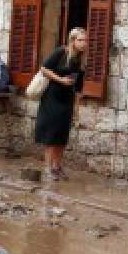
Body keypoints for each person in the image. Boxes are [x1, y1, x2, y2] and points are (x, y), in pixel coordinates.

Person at [33, 27, 87, 180]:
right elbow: (44, 69)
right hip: (52, 98)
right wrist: (60, 79)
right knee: (51, 134)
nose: (84, 43)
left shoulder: (80, 59)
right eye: (80, 40)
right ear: (73, 40)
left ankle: (57, 167)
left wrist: (76, 108)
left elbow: (78, 87)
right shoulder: (61, 53)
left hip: (67, 100)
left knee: (62, 135)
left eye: (85, 40)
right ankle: (48, 168)